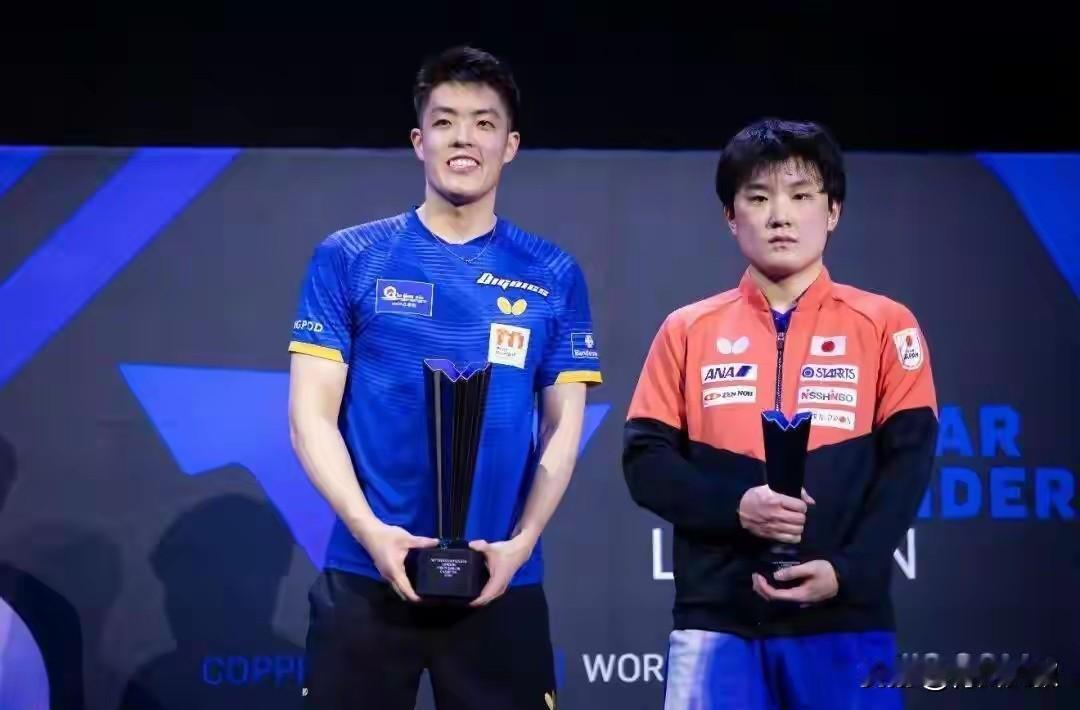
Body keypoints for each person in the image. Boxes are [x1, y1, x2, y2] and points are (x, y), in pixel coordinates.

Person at [287, 45, 602, 710]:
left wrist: (522, 544)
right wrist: (371, 533)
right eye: (445, 121)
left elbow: (562, 427)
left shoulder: (552, 272)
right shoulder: (349, 257)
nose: (464, 138)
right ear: (418, 141)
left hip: (500, 580)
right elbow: (310, 416)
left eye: (484, 123)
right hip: (366, 575)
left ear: (510, 146)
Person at [622, 118, 938, 709]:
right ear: (730, 215)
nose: (780, 216)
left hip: (846, 622)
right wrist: (737, 507)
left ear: (833, 210)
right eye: (759, 198)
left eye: (800, 195)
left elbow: (907, 471)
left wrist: (847, 572)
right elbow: (646, 464)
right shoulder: (686, 330)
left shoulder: (886, 325)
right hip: (717, 625)